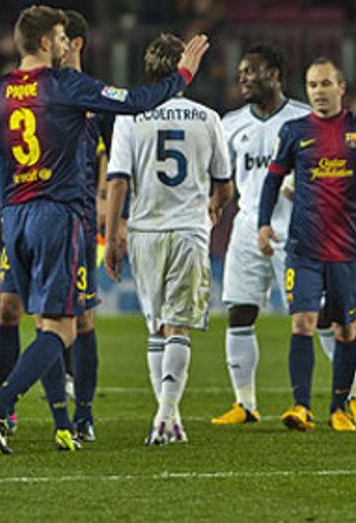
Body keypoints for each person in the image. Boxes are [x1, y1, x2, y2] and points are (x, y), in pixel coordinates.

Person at [0, 5, 208, 455]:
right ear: (46, 43)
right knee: (62, 329)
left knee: (43, 322)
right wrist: (182, 74)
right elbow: (135, 102)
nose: (67, 45)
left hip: (14, 220)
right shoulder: (65, 85)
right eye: (62, 38)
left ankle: (56, 418)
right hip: (57, 216)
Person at [211, 44, 356, 426]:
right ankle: (245, 403)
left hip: (305, 231)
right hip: (250, 228)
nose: (243, 79)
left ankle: (355, 395)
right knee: (239, 310)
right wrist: (215, 203)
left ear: (274, 75)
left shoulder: (306, 118)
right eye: (241, 73)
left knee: (321, 318)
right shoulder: (230, 124)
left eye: (251, 72)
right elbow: (224, 176)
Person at [258, 58, 356, 432]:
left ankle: (339, 407)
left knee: (344, 329)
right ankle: (301, 406)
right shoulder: (294, 131)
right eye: (311, 85)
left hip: (346, 248)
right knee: (303, 322)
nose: (319, 92)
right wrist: (262, 224)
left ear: (341, 87)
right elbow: (273, 181)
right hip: (304, 247)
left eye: (325, 84)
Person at [103, 33, 233, 445]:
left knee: (156, 328)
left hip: (144, 231)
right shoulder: (208, 117)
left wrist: (110, 236)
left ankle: (167, 418)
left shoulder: (129, 117)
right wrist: (214, 207)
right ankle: (166, 416)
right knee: (179, 327)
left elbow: (117, 182)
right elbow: (225, 186)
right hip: (189, 230)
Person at [0, 11, 105, 443]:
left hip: (74, 215)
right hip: (25, 212)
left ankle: (82, 416)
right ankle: (8, 411)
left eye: (62, 38)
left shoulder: (89, 94)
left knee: (81, 318)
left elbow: (115, 156)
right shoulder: (26, 91)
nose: (55, 46)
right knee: (10, 309)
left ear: (74, 44)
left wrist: (114, 213)